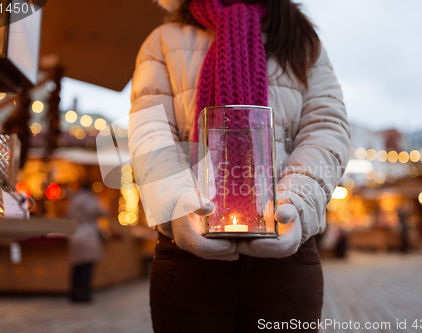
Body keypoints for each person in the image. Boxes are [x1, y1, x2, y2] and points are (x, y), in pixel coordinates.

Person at [128, 0, 350, 332]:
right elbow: (150, 132)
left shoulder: (301, 39)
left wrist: (297, 205)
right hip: (189, 256)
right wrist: (176, 207)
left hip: (285, 258)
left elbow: (326, 128)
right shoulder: (164, 40)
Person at [67, 184, 106, 303]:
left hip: (75, 233)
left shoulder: (73, 200)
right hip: (89, 234)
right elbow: (103, 212)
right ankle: (85, 294)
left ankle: (74, 294)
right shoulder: (91, 199)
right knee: (87, 267)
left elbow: (67, 213)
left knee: (76, 267)